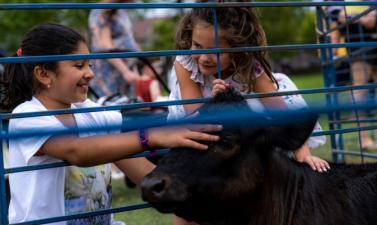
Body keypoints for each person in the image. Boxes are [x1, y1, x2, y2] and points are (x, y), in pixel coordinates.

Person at [0, 23, 222, 225]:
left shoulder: (89, 112)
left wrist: (190, 194)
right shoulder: (27, 115)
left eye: (90, 64)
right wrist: (151, 136)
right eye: (79, 66)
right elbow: (76, 151)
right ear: (44, 74)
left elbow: (140, 169)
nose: (90, 73)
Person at [169, 1, 330, 173]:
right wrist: (217, 103)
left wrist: (304, 155)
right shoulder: (186, 64)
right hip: (201, 119)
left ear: (236, 49)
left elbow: (284, 114)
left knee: (280, 96)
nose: (203, 57)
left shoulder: (250, 68)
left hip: (242, 121)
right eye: (197, 46)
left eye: (215, 51)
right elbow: (196, 120)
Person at [330, 0, 377, 150]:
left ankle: (365, 139)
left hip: (371, 46)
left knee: (361, 94)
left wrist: (353, 17)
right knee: (359, 94)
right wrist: (362, 17)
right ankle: (364, 138)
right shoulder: (339, 3)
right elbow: (340, 18)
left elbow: (371, 20)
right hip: (357, 50)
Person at [89, 0, 140, 98]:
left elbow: (127, 38)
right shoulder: (102, 10)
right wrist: (125, 71)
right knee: (110, 108)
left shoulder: (121, 9)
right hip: (110, 74)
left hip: (125, 74)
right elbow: (105, 46)